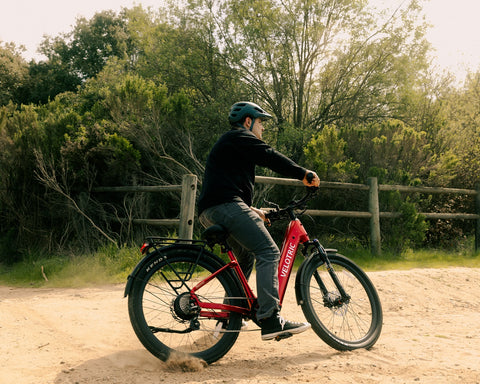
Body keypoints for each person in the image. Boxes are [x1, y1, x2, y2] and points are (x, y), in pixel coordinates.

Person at [198, 101, 320, 341]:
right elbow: (269, 156)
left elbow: (225, 186)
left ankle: (227, 322)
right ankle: (271, 319)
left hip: (213, 209)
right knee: (268, 251)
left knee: (245, 256)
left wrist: (254, 211)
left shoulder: (233, 144)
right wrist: (302, 173)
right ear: (247, 121)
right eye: (261, 123)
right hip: (225, 206)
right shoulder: (240, 136)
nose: (262, 128)